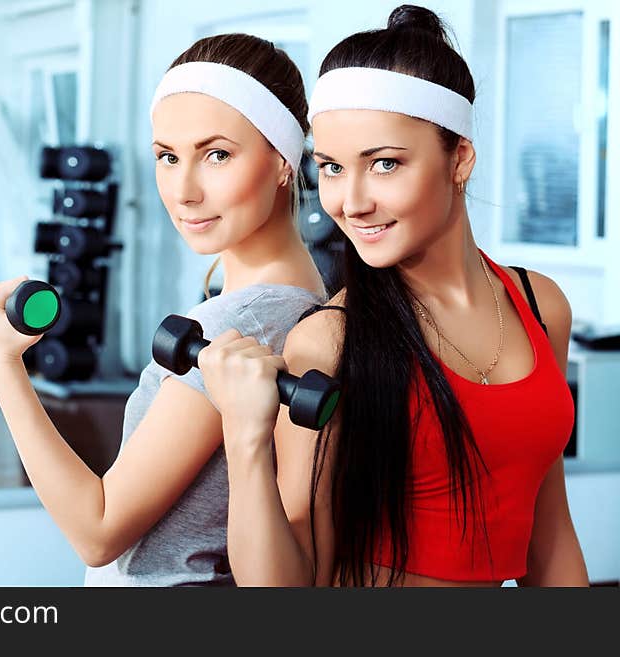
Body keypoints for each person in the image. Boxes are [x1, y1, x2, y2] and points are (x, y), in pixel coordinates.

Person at [198, 5, 589, 587]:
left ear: (459, 158)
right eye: (330, 168)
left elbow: (550, 534)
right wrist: (245, 437)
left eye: (383, 164)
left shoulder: (540, 306)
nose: (350, 202)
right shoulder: (330, 341)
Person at [0, 33, 326, 586]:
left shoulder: (241, 326)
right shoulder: (309, 302)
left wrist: (1, 365)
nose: (183, 190)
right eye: (167, 156)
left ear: (284, 162)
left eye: (217, 154)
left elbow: (99, 530)